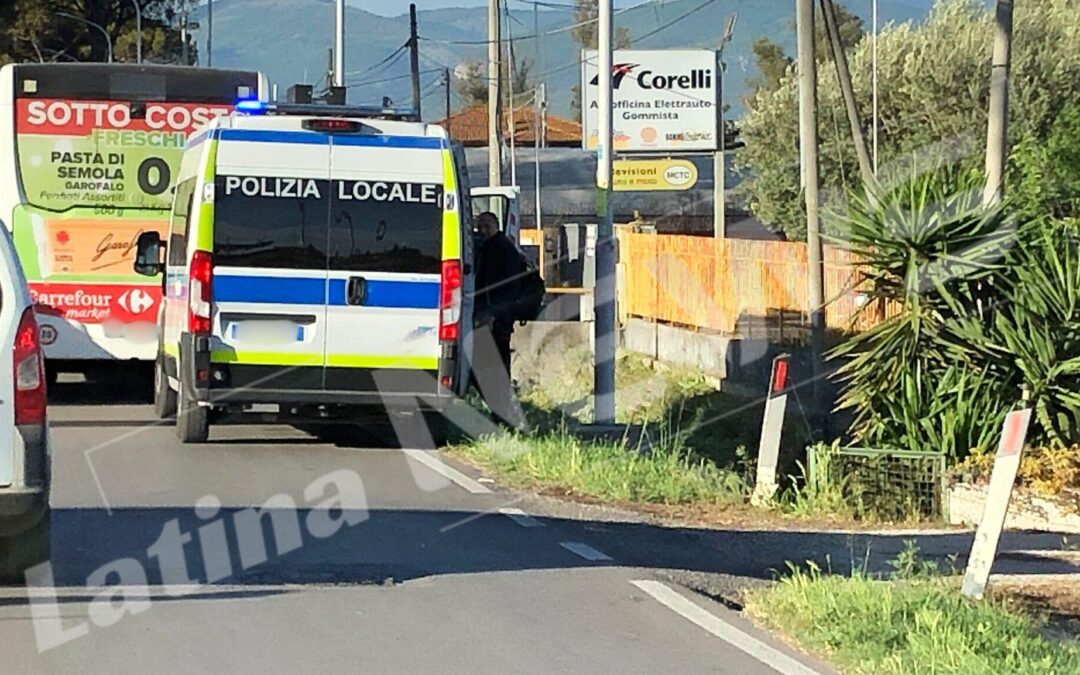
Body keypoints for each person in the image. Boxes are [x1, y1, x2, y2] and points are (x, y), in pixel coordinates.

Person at [473, 211, 526, 427]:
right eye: (479, 227)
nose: (482, 231)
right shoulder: (489, 248)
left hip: (497, 322)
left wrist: (494, 314)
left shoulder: (502, 250)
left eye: (486, 226)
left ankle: (504, 417)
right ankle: (501, 416)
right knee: (490, 369)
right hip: (492, 320)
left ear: (496, 226)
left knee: (493, 370)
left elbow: (509, 288)